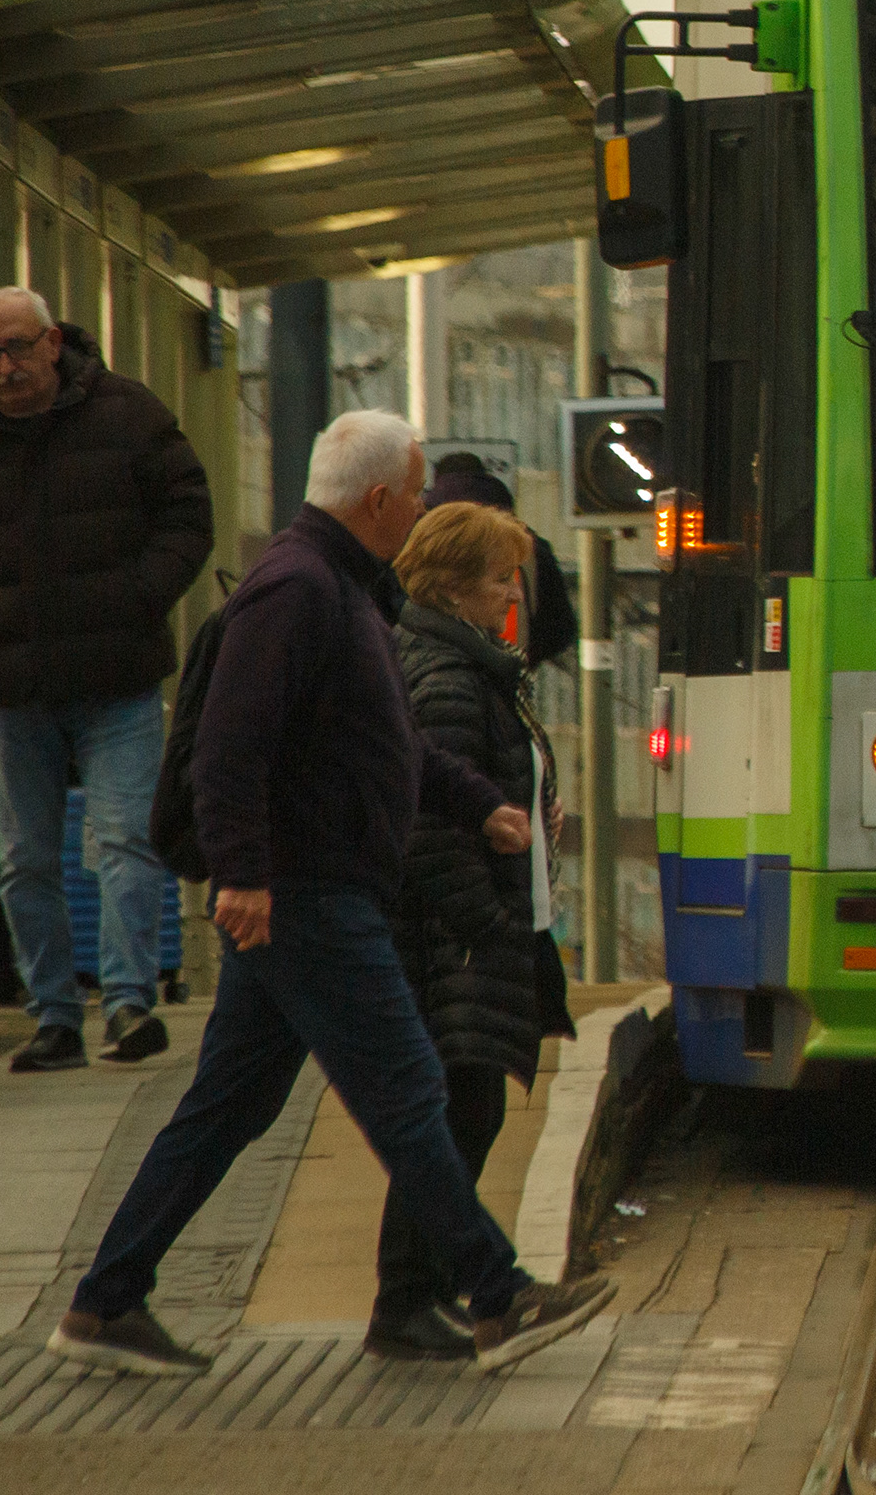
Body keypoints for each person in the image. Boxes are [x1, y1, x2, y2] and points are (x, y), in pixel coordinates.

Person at [49, 412, 615, 1381]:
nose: (425, 502)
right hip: (308, 892)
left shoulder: (346, 591)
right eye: (418, 485)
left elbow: (386, 741)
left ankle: (105, 1300)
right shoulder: (298, 591)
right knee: (407, 1090)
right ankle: (498, 1293)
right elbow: (231, 744)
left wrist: (482, 805)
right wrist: (244, 874)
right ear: (382, 497)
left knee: (228, 1106)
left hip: (315, 886)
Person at [0, 285, 216, 1071]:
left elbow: (188, 512)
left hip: (117, 672)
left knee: (123, 839)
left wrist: (139, 594)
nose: (3, 366)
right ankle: (54, 1016)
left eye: (15, 347)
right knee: (27, 858)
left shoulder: (127, 412)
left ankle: (127, 1001)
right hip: (12, 681)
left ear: (52, 341)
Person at [370, 500, 580, 1362]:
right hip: (456, 938)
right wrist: (485, 922)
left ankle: (435, 1296)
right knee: (455, 1115)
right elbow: (428, 823)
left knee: (463, 1114)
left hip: (476, 929)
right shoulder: (449, 677)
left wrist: (535, 804)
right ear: (456, 585)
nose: (510, 597)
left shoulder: (469, 666)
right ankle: (412, 1302)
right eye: (500, 579)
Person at [422, 453, 574, 667]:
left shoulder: (420, 540)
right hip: (509, 675)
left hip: (434, 667)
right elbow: (559, 628)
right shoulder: (530, 546)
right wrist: (527, 658)